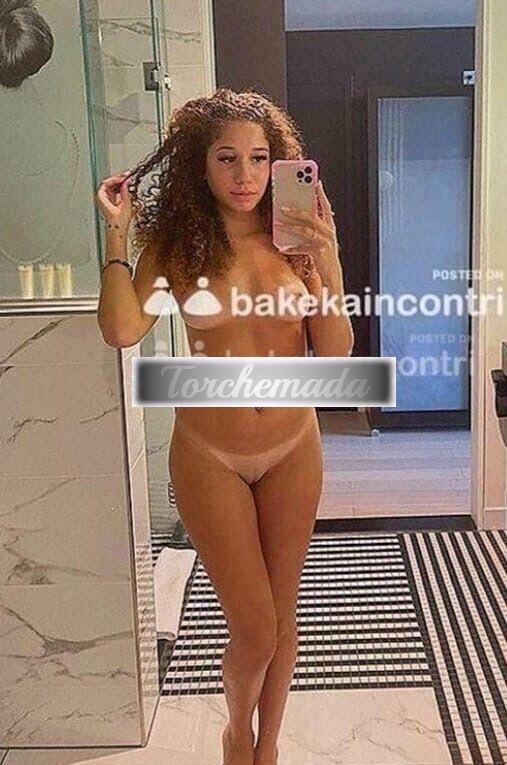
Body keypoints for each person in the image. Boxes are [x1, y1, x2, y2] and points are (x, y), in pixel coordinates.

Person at [96, 87, 353, 765]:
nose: (245, 175)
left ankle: (267, 747)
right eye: (227, 158)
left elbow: (335, 352)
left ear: (278, 163)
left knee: (283, 616)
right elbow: (121, 328)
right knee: (255, 626)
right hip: (211, 454)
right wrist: (117, 234)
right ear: (201, 165)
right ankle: (238, 728)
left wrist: (329, 260)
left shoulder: (298, 238)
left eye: (260, 158)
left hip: (293, 446)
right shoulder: (180, 246)